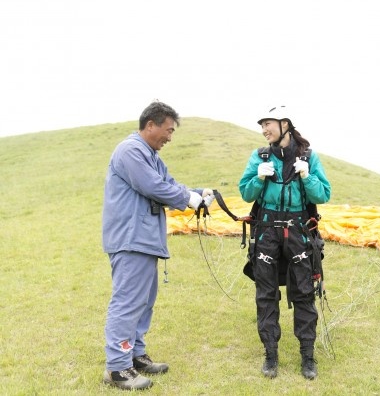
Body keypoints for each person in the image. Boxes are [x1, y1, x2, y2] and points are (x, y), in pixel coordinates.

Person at [102, 101, 215, 390]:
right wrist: (189, 199)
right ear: (150, 124)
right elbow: (153, 186)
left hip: (145, 239)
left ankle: (135, 354)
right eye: (168, 130)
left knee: (144, 302)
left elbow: (169, 184)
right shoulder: (130, 151)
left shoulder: (151, 155)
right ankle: (118, 368)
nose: (170, 137)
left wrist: (196, 193)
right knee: (128, 302)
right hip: (131, 239)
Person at [239, 105, 331, 380]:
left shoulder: (308, 157)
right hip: (267, 231)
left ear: (285, 124)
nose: (264, 130)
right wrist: (259, 177)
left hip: (299, 231)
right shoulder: (260, 157)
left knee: (303, 291)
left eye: (268, 124)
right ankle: (271, 354)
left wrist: (307, 175)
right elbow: (245, 192)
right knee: (266, 293)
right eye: (262, 125)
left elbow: (323, 194)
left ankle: (308, 355)